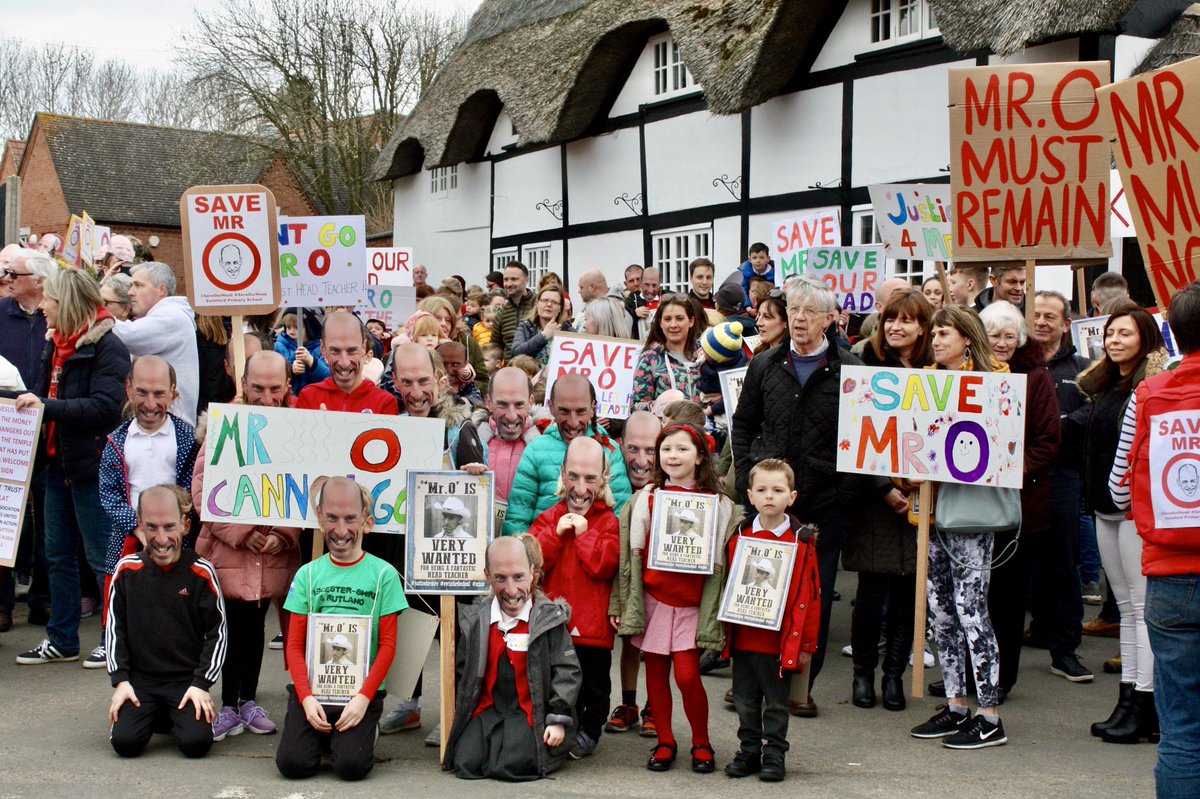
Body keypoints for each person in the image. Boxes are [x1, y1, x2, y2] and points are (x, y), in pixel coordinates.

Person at [731, 277, 861, 717]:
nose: (800, 318)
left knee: (813, 602)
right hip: (767, 500)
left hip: (823, 503)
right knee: (758, 590)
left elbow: (862, 439)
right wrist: (750, 473)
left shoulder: (849, 370)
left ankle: (800, 689)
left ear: (830, 319)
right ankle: (750, 683)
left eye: (809, 311)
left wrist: (844, 494)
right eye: (794, 310)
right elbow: (744, 422)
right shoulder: (765, 364)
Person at [1109, 281, 1200, 796]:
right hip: (1169, 572)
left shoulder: (1150, 394)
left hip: (1169, 574)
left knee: (1183, 728)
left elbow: (1119, 489)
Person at [14, 269, 131, 666]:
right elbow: (40, 395)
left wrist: (46, 407)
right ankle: (62, 639)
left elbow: (105, 407)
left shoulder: (107, 347)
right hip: (55, 465)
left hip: (92, 467)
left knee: (101, 558)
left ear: (67, 305)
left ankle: (110, 638)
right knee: (57, 555)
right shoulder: (57, 345)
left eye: (49, 299)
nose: (43, 306)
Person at [909, 305, 1008, 749]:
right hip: (931, 513)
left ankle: (989, 714)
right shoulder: (925, 382)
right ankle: (956, 706)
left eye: (945, 334)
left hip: (968, 515)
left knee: (972, 611)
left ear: (968, 338)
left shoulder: (994, 383)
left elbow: (1000, 447)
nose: (936, 341)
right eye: (935, 334)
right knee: (942, 613)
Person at [1069, 303, 1166, 744]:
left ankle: (1146, 703)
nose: (1113, 340)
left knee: (1142, 610)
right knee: (1127, 609)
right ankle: (1128, 698)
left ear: (1145, 339)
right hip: (1105, 507)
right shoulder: (1106, 385)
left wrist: (1123, 498)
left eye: (1124, 333)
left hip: (1131, 510)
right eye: (1110, 333)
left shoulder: (1147, 388)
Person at [617, 422, 736, 773]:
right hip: (655, 600)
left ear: (700, 456)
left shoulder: (718, 504)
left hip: (691, 604)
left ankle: (702, 741)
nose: (673, 455)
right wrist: (623, 604)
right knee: (654, 674)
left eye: (682, 449)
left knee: (686, 675)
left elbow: (724, 555)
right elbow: (630, 555)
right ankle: (665, 741)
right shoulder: (647, 499)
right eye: (666, 449)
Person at [194, 351, 300, 741]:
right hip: (229, 551)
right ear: (244, 384)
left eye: (275, 388)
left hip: (271, 553)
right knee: (228, 628)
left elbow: (306, 489)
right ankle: (226, 704)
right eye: (258, 388)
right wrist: (241, 531)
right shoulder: (224, 426)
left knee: (255, 627)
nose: (267, 397)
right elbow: (203, 490)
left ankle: (247, 700)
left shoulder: (297, 426)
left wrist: (284, 534)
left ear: (287, 386)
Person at [275, 477, 406, 781]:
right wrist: (306, 699)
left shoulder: (384, 575)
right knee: (293, 765)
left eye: (350, 519)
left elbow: (387, 645)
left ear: (367, 522)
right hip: (314, 691)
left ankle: (357, 733)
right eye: (332, 518)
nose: (341, 530)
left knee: (350, 767)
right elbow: (294, 645)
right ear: (319, 518)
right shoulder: (308, 575)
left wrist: (363, 699)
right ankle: (320, 735)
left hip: (359, 693)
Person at [979, 301, 1075, 695]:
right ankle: (973, 672)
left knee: (1007, 594)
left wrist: (1008, 472)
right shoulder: (972, 374)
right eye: (993, 336)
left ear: (1019, 339)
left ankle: (1002, 677)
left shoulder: (1036, 377)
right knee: (975, 593)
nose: (1001, 343)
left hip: (1020, 503)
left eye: (1008, 336)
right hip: (974, 503)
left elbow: (1049, 441)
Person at [845, 289, 933, 712]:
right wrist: (885, 488)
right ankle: (863, 674)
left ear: (923, 327)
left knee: (908, 592)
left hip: (923, 496)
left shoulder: (938, 372)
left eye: (906, 320)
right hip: (874, 499)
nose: (896, 327)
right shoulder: (864, 367)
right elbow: (855, 435)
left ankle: (894, 675)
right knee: (871, 590)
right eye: (890, 319)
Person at [446, 536, 582, 780]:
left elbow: (567, 671)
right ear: (488, 577)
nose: (511, 590)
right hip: (489, 708)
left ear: (532, 574)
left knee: (512, 766)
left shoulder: (548, 619)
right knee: (466, 762)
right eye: (501, 578)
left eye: (518, 577)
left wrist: (557, 719)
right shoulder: (477, 620)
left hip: (530, 712)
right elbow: (463, 671)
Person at [106, 485, 225, 759]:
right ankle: (154, 714)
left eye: (169, 527)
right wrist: (121, 681)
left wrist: (202, 684)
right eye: (152, 527)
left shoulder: (201, 572)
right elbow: (114, 630)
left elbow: (217, 634)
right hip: (140, 681)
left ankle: (170, 714)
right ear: (140, 525)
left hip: (185, 680)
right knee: (125, 744)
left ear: (185, 525)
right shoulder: (126, 570)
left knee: (196, 744)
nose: (161, 539)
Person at [98, 356, 200, 667]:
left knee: (175, 601)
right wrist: (137, 527)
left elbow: (190, 487)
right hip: (130, 536)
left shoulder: (187, 437)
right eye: (142, 392)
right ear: (128, 390)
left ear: (173, 393)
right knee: (127, 596)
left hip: (176, 536)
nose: (150, 403)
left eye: (159, 394)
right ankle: (116, 645)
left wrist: (171, 527)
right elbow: (108, 492)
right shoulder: (117, 440)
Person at [722, 459, 819, 782]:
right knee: (746, 702)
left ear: (791, 497)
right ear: (750, 495)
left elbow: (812, 596)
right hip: (744, 637)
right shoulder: (739, 536)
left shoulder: (801, 542)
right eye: (762, 490)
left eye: (777, 490)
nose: (769, 496)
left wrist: (806, 643)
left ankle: (774, 754)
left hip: (778, 643)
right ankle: (749, 751)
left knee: (776, 704)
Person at [530, 437, 620, 759]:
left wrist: (585, 535)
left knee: (594, 684)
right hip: (556, 625)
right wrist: (555, 535)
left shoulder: (609, 521)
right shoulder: (549, 517)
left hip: (592, 629)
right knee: (559, 682)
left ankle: (590, 730)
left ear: (603, 479)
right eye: (574, 477)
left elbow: (605, 565)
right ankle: (562, 727)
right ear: (563, 474)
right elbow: (534, 562)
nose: (580, 488)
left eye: (590, 478)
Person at [0, 249, 55, 629]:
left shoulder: (56, 317)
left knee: (49, 519)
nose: (7, 278)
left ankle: (43, 599)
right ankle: (2, 604)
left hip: (50, 428)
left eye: (13, 273)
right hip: (9, 430)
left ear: (37, 279)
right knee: (6, 519)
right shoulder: (1, 313)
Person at [502, 374, 632, 535]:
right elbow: (518, 517)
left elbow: (621, 515)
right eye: (564, 411)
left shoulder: (609, 451)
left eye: (580, 411)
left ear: (593, 408)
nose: (573, 422)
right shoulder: (536, 450)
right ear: (551, 408)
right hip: (544, 554)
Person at [607, 410, 662, 736]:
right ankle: (629, 703)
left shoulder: (671, 486)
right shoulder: (609, 479)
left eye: (651, 450)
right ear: (619, 445)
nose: (642, 460)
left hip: (658, 577)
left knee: (655, 643)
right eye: (633, 449)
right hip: (623, 575)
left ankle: (655, 704)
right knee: (630, 640)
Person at [112, 263, 199, 425]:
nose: (130, 292)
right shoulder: (168, 315)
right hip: (160, 422)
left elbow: (126, 336)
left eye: (138, 285)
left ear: (162, 290)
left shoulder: (171, 317)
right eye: (131, 285)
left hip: (169, 428)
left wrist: (93, 313)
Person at [294, 312, 398, 414]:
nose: (344, 363)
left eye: (352, 351)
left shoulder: (384, 403)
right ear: (323, 349)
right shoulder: (309, 397)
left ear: (363, 348)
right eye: (335, 351)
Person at [469, 367, 540, 504]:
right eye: (502, 404)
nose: (511, 416)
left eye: (519, 405)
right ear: (489, 402)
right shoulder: (471, 439)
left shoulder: (544, 443)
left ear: (531, 403)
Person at [631, 295, 704, 411]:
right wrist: (661, 405)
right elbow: (635, 407)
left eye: (679, 318)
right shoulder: (650, 358)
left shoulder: (706, 354)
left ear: (691, 321)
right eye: (667, 319)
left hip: (704, 428)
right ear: (660, 323)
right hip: (666, 428)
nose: (673, 325)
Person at [511, 284, 572, 367]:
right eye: (545, 300)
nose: (549, 304)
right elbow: (516, 354)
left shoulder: (568, 330)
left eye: (554, 302)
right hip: (530, 378)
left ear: (560, 308)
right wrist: (543, 336)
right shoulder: (526, 326)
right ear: (537, 303)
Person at [494, 262, 536, 359]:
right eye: (505, 280)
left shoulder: (538, 306)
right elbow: (495, 347)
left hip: (535, 370)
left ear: (527, 280)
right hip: (510, 369)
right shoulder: (501, 313)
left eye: (514, 279)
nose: (508, 284)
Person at [626, 266, 660, 341]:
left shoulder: (665, 297)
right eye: (631, 281)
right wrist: (634, 314)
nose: (636, 283)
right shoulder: (628, 302)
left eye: (638, 279)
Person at [751, 288, 788, 354]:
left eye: (767, 317)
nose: (758, 323)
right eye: (759, 315)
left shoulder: (793, 360)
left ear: (786, 322)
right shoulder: (758, 354)